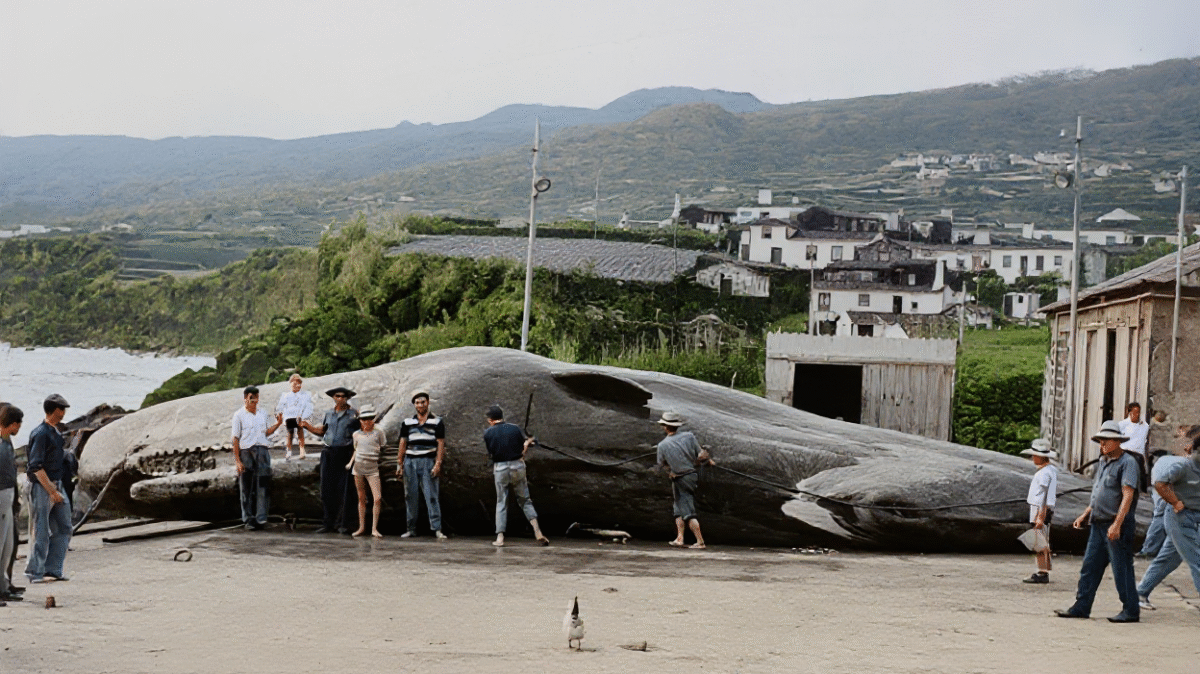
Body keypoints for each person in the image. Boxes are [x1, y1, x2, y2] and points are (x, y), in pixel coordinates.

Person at [1055, 420, 1141, 622]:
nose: (1101, 445)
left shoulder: (1128, 463)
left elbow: (1127, 495)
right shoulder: (1103, 462)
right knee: (1089, 567)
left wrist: (1117, 524)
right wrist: (1086, 513)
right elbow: (1098, 492)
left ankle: (1131, 611)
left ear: (1117, 442)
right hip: (1098, 523)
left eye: (1105, 441)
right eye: (1100, 441)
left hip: (1115, 524)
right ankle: (1081, 607)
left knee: (1122, 569)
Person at [1135, 431, 1200, 610]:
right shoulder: (1183, 467)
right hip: (1180, 518)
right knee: (1197, 558)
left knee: (1168, 559)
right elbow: (1160, 484)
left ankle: (1140, 592)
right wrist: (1175, 502)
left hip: (1195, 518)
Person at [24, 394, 73, 583]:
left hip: (57, 482)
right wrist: (52, 491)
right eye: (61, 410)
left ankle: (53, 569)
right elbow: (35, 467)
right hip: (42, 485)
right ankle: (35, 572)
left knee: (64, 526)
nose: (63, 413)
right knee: (41, 529)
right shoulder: (41, 433)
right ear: (53, 411)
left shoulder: (56, 432)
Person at [483, 405, 548, 547]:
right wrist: (529, 441)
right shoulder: (515, 428)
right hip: (517, 466)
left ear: (490, 419)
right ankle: (537, 531)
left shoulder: (488, 433)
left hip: (500, 468)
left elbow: (491, 453)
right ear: (502, 416)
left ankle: (500, 538)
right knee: (525, 500)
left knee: (501, 502)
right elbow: (522, 448)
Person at [301, 386, 359, 534]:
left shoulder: (353, 415)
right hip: (329, 452)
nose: (340, 399)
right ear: (333, 398)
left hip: (345, 452)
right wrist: (307, 426)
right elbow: (323, 431)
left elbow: (359, 434)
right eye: (337, 396)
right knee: (327, 489)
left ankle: (345, 524)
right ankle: (328, 523)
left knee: (345, 490)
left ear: (347, 398)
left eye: (343, 396)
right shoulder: (328, 414)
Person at [655, 411, 714, 550]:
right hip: (689, 476)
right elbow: (701, 455)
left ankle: (700, 541)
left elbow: (661, 464)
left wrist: (671, 471)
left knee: (687, 510)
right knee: (678, 509)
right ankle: (680, 538)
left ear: (665, 426)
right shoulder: (689, 436)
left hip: (680, 477)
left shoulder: (662, 445)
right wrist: (710, 461)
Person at [231, 386, 284, 530]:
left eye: (256, 397)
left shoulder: (262, 413)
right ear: (245, 398)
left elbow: (266, 432)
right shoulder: (239, 415)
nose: (254, 400)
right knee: (246, 487)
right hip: (246, 451)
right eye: (250, 397)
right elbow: (235, 439)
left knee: (263, 485)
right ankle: (248, 519)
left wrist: (278, 424)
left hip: (262, 450)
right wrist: (237, 460)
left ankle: (262, 518)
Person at [397, 390, 446, 539]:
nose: (420, 405)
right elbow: (403, 442)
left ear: (428, 402)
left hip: (427, 460)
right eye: (417, 402)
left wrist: (438, 463)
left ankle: (437, 528)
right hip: (410, 461)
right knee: (410, 495)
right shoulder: (407, 422)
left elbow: (441, 444)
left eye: (423, 402)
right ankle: (411, 529)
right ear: (414, 405)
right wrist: (399, 463)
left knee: (431, 495)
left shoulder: (437, 422)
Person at [1020, 438, 1058, 584]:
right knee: (1041, 541)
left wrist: (1040, 516)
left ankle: (1042, 572)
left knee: (1040, 542)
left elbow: (1045, 495)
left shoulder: (1044, 474)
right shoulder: (1049, 471)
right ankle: (1043, 570)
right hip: (1040, 509)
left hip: (1040, 510)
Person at [346, 404, 386, 538]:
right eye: (364, 419)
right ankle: (362, 527)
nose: (367, 421)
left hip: (372, 467)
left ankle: (374, 528)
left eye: (369, 418)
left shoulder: (378, 431)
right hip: (358, 467)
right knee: (361, 498)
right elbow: (356, 449)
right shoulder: (356, 434)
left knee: (377, 497)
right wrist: (350, 463)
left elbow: (383, 445)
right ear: (360, 420)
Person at [0, 404, 24, 603]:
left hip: (8, 497)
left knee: (8, 546)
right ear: (13, 424)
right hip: (1, 496)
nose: (20, 427)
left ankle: (4, 586)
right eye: (18, 423)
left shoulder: (7, 444)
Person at [275, 373, 313, 461]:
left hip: (299, 416)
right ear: (290, 384)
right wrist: (280, 414)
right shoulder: (286, 395)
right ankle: (289, 450)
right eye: (294, 383)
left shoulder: (304, 395)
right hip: (289, 416)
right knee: (290, 433)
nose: (296, 385)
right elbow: (280, 406)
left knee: (300, 429)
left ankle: (302, 449)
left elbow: (306, 407)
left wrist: (303, 416)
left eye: (298, 383)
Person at [1118, 402, 1150, 491]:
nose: (1137, 414)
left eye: (1138, 412)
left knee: (1141, 478)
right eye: (1135, 412)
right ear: (1129, 412)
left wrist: (1146, 458)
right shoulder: (1122, 425)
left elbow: (1146, 442)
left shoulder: (1145, 426)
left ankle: (1142, 492)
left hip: (1139, 455)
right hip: (1126, 453)